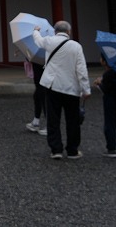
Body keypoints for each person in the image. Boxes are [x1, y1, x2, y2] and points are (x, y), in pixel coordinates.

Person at [35, 21, 90, 160]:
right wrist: (86, 89)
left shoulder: (49, 41)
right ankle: (72, 150)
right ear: (69, 32)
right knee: (73, 120)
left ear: (55, 31)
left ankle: (56, 150)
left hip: (53, 85)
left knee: (53, 119)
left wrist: (35, 31)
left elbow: (38, 41)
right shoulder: (76, 46)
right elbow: (81, 69)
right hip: (71, 87)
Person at [25, 59, 47, 136]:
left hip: (42, 64)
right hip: (39, 64)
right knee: (38, 95)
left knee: (43, 95)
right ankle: (36, 121)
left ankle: (49, 125)